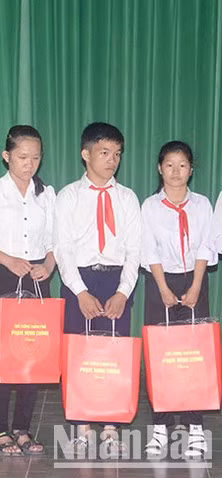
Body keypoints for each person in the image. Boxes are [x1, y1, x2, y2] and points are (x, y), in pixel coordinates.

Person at [0, 125, 55, 456]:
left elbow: (55, 241)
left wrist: (49, 265)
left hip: (37, 278)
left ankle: (23, 429)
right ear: (7, 156)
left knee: (33, 352)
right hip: (3, 277)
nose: (29, 164)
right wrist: (7, 260)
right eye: (22, 157)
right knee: (6, 354)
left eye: (35, 158)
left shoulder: (47, 194)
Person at [53, 122, 141, 458]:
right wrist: (79, 291)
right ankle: (81, 428)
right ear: (85, 154)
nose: (112, 160)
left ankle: (111, 428)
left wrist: (123, 292)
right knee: (80, 356)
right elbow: (62, 248)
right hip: (80, 282)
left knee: (113, 357)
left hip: (116, 281)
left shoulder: (127, 197)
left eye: (117, 154)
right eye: (104, 153)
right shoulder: (68, 196)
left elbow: (135, 250)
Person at [140, 141, 216, 458]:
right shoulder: (149, 206)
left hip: (195, 280)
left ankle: (195, 427)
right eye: (169, 165)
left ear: (191, 170)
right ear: (160, 168)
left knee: (195, 357)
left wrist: (196, 286)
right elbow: (149, 249)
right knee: (161, 357)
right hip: (160, 282)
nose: (175, 171)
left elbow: (205, 245)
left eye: (182, 165)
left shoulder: (202, 205)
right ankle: (160, 427)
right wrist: (162, 288)